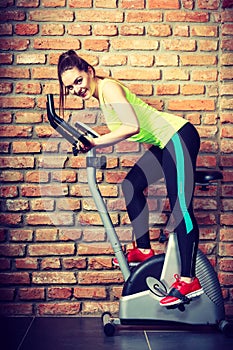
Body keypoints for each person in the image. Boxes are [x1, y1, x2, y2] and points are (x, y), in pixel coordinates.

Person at [57, 50, 204, 307]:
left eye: (78, 81)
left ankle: (190, 280)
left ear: (89, 72)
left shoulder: (109, 88)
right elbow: (144, 128)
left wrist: (94, 142)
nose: (75, 90)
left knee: (181, 206)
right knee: (131, 185)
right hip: (163, 142)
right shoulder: (102, 96)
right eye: (69, 87)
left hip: (178, 136)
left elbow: (131, 127)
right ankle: (145, 250)